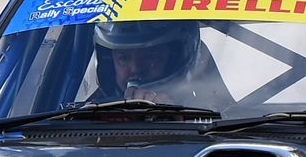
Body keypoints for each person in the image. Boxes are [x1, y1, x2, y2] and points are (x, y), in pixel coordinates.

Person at [89, 21, 231, 110]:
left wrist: (170, 117)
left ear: (174, 60)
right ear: (109, 62)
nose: (135, 69)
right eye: (124, 58)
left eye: (150, 57)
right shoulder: (87, 115)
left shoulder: (209, 116)